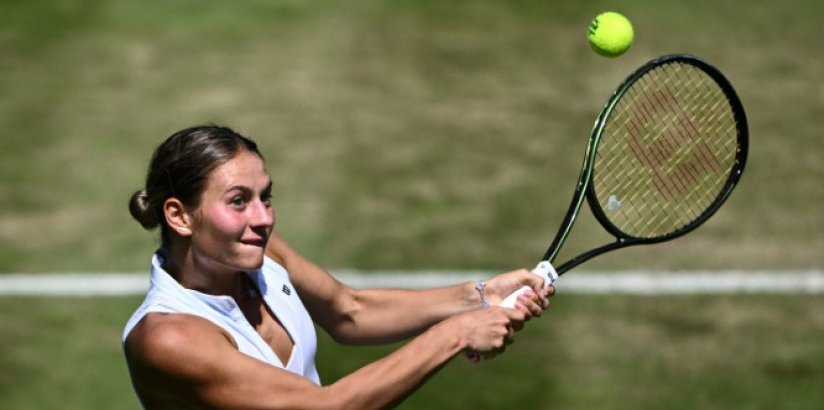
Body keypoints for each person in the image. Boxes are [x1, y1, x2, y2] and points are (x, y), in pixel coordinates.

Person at [122, 124, 553, 409]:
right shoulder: (169, 338)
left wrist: (479, 297)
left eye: (265, 197)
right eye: (239, 201)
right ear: (179, 216)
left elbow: (350, 311)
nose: (264, 218)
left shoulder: (260, 252)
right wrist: (456, 333)